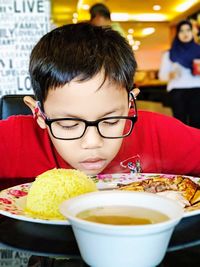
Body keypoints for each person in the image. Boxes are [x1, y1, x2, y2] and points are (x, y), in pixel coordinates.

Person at [1, 22, 200, 179]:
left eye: (111, 121)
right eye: (69, 124)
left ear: (130, 104)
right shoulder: (13, 142)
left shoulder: (157, 134)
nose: (93, 143)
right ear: (39, 113)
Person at [159, 20, 200, 128]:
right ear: (177, 34)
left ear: (192, 32)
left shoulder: (199, 51)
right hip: (177, 91)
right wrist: (171, 75)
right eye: (181, 31)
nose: (185, 33)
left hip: (197, 90)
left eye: (188, 30)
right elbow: (162, 75)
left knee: (197, 123)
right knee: (179, 124)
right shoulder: (169, 54)